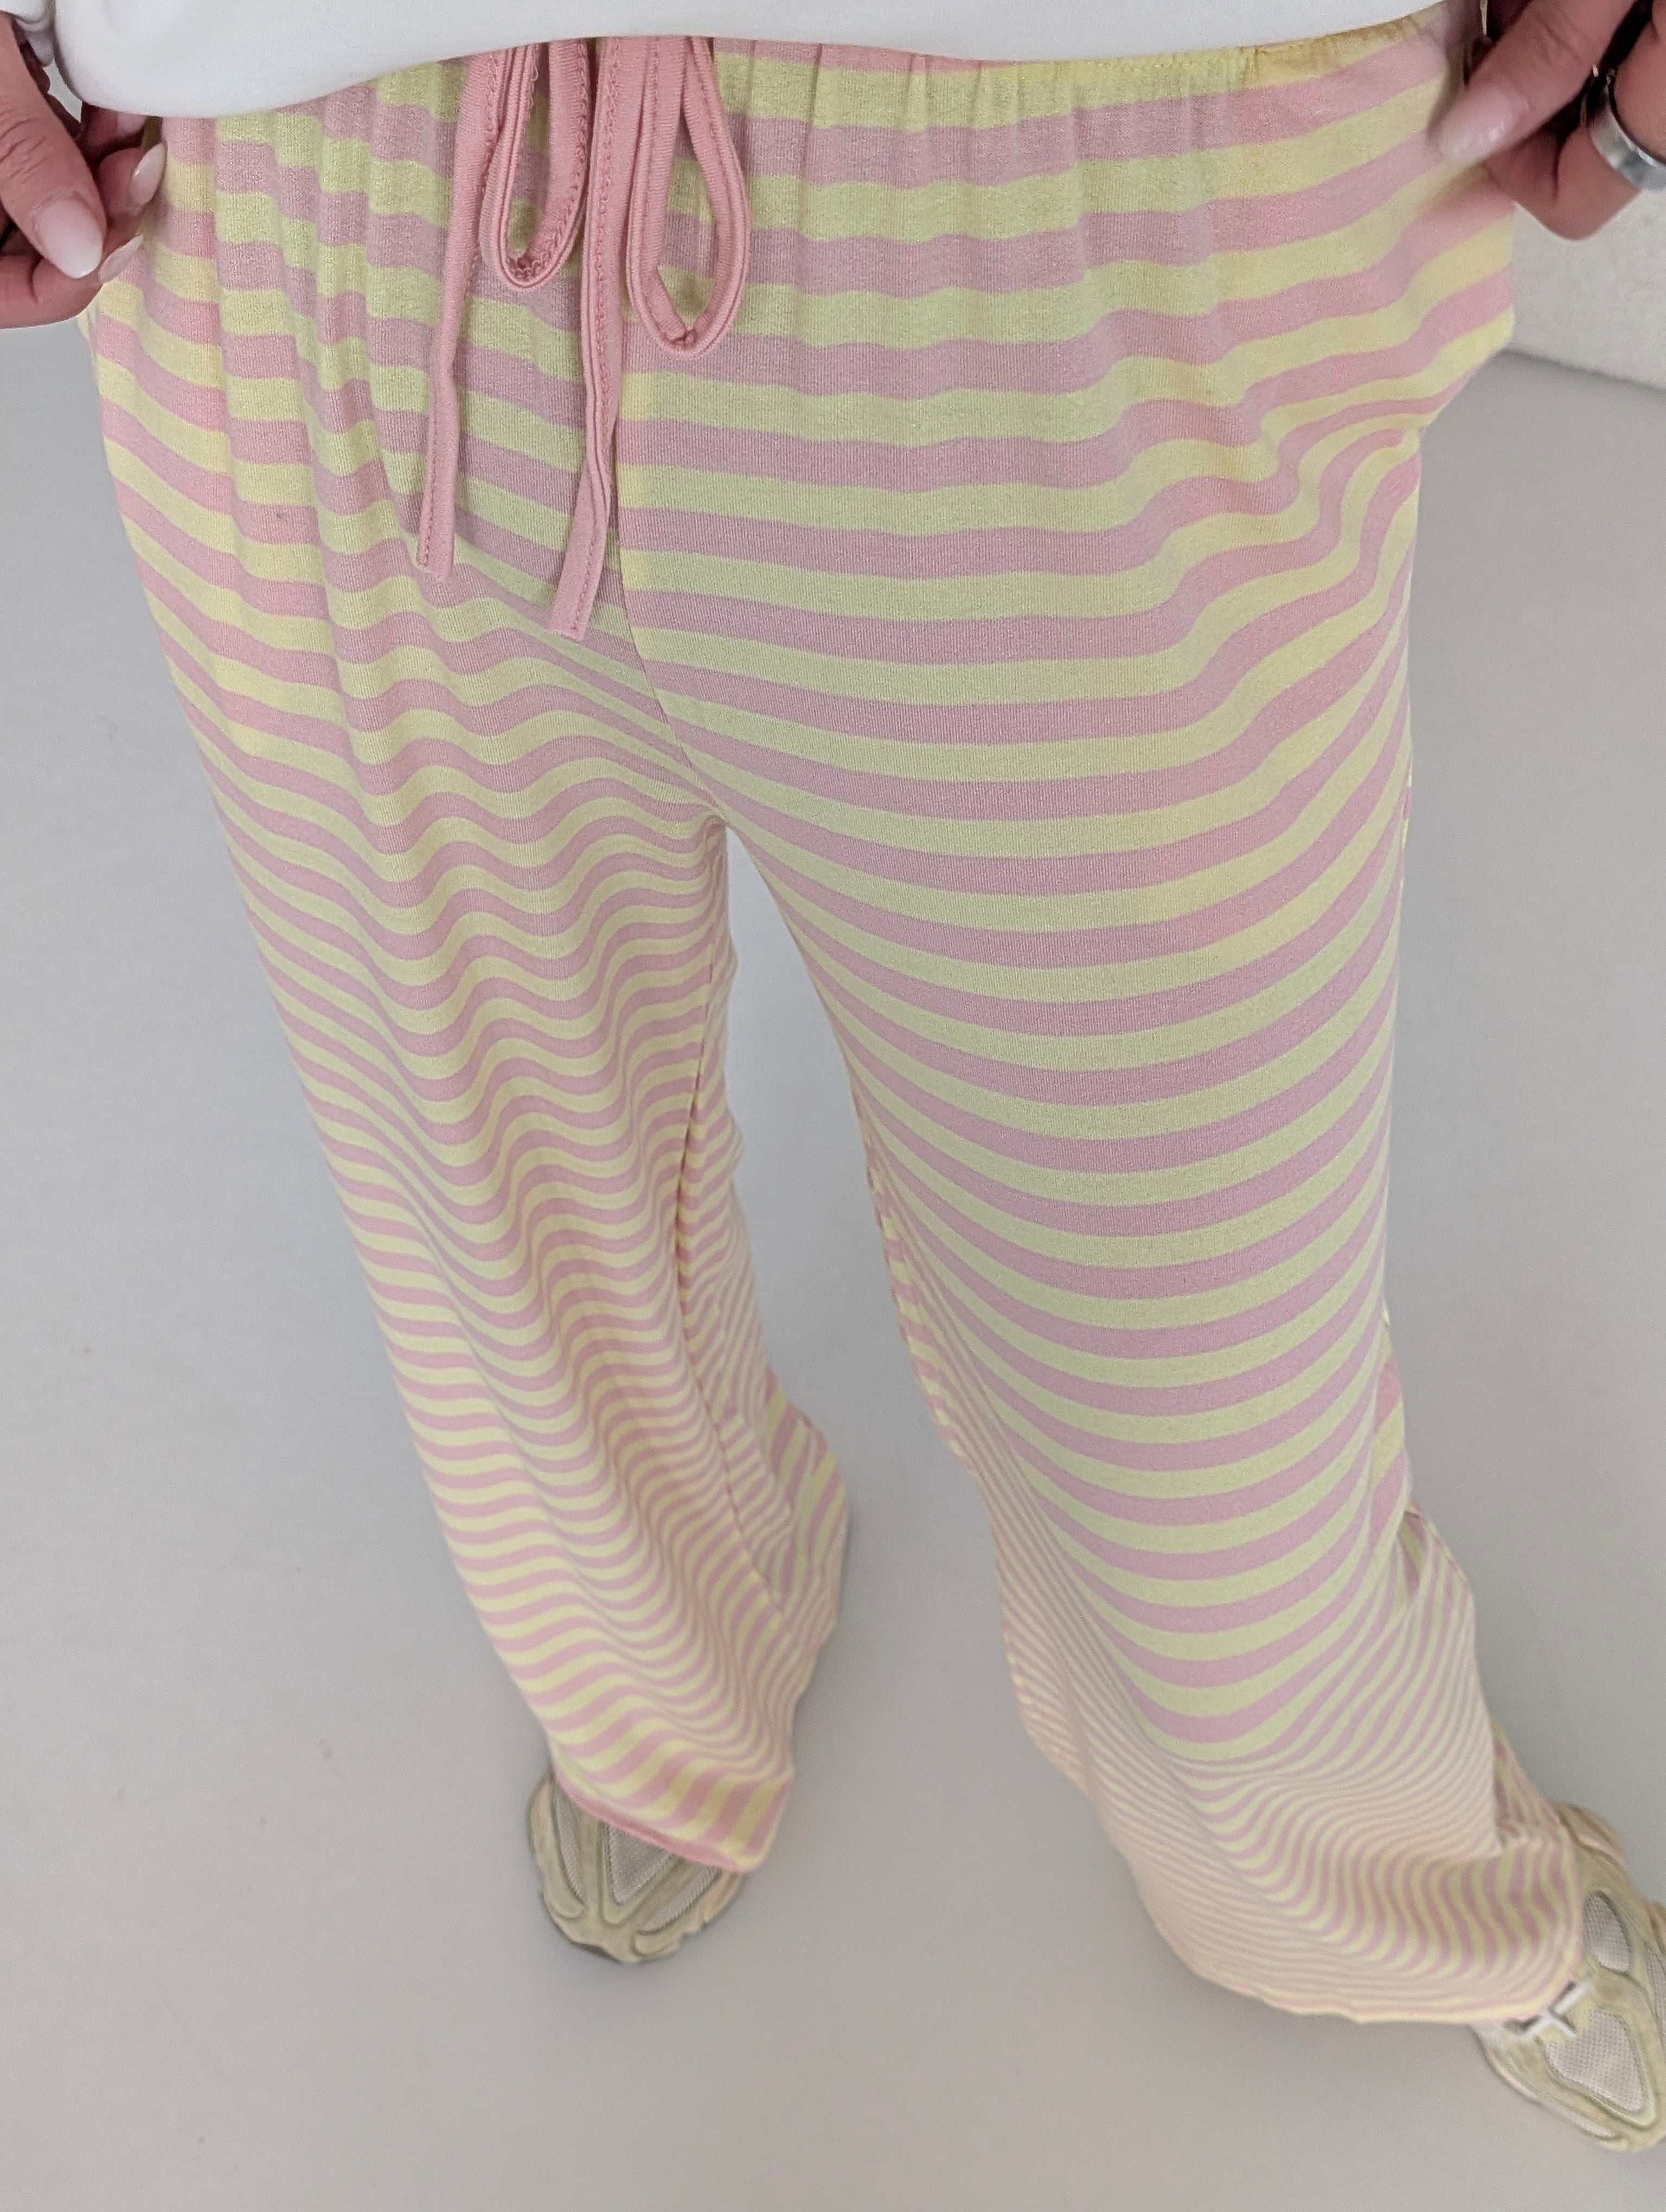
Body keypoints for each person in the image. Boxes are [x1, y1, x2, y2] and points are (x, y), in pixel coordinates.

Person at [3, 0, 1664, 2153]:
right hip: (284, 169)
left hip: (1109, 170)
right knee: (504, 1229)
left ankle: (1375, 1882)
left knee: (1206, 1429)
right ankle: (660, 1690)